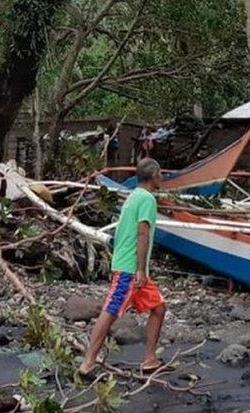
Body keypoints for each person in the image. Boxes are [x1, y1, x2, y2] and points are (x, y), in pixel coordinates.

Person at [79, 157, 167, 376]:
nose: (162, 177)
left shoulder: (132, 196)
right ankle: (88, 362)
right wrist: (140, 269)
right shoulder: (146, 199)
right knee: (110, 311)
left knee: (158, 308)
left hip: (130, 266)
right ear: (154, 176)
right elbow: (142, 233)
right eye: (160, 173)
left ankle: (149, 359)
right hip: (130, 268)